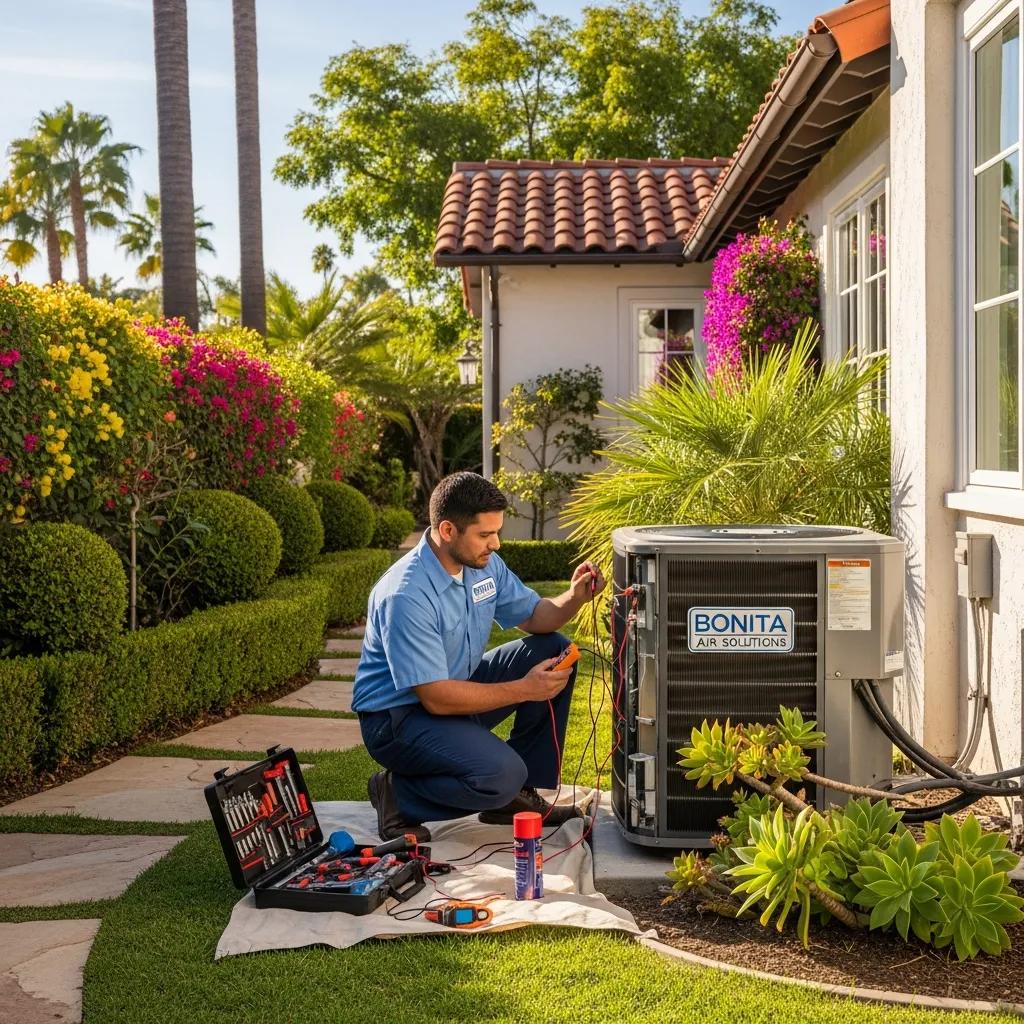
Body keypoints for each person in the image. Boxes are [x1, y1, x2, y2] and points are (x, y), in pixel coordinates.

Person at [353, 471, 606, 841]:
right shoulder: (405, 595)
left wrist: (575, 596)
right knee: (499, 774)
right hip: (398, 719)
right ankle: (398, 795)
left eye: (497, 532)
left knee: (555, 649)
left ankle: (518, 799)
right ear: (448, 530)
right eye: (485, 535)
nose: (496, 544)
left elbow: (537, 616)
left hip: (454, 687)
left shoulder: (480, 566)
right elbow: (436, 698)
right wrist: (524, 689)